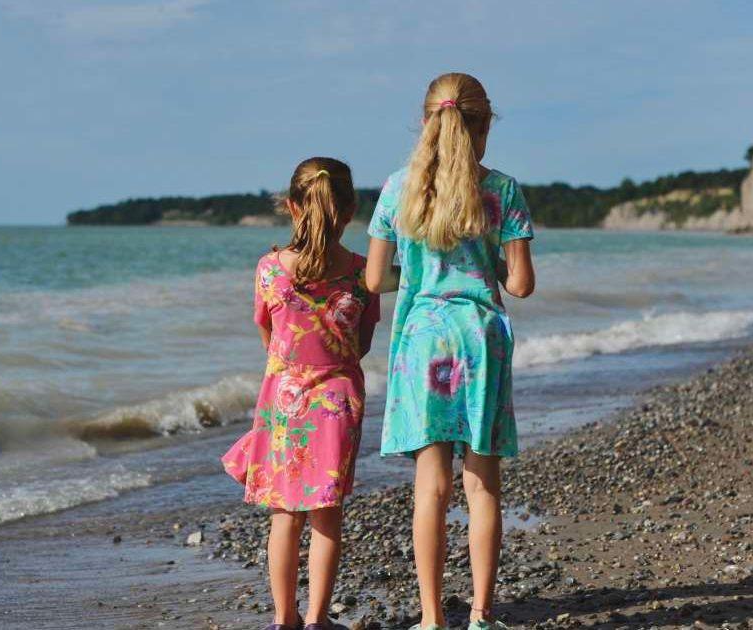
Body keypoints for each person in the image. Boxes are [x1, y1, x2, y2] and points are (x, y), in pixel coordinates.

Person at [364, 72, 535, 630]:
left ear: (426, 122)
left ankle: (433, 620)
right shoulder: (502, 190)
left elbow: (373, 279)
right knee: (482, 483)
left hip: (424, 341)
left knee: (431, 486)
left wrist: (417, 272)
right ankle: (482, 616)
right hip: (479, 338)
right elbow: (521, 284)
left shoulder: (398, 188)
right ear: (484, 126)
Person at [222, 157, 381, 630]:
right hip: (338, 399)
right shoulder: (360, 272)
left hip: (282, 398)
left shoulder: (270, 268)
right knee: (326, 514)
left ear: (292, 207)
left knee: (284, 515)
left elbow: (267, 334)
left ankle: (283, 618)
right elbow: (363, 342)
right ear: (351, 211)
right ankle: (317, 619)